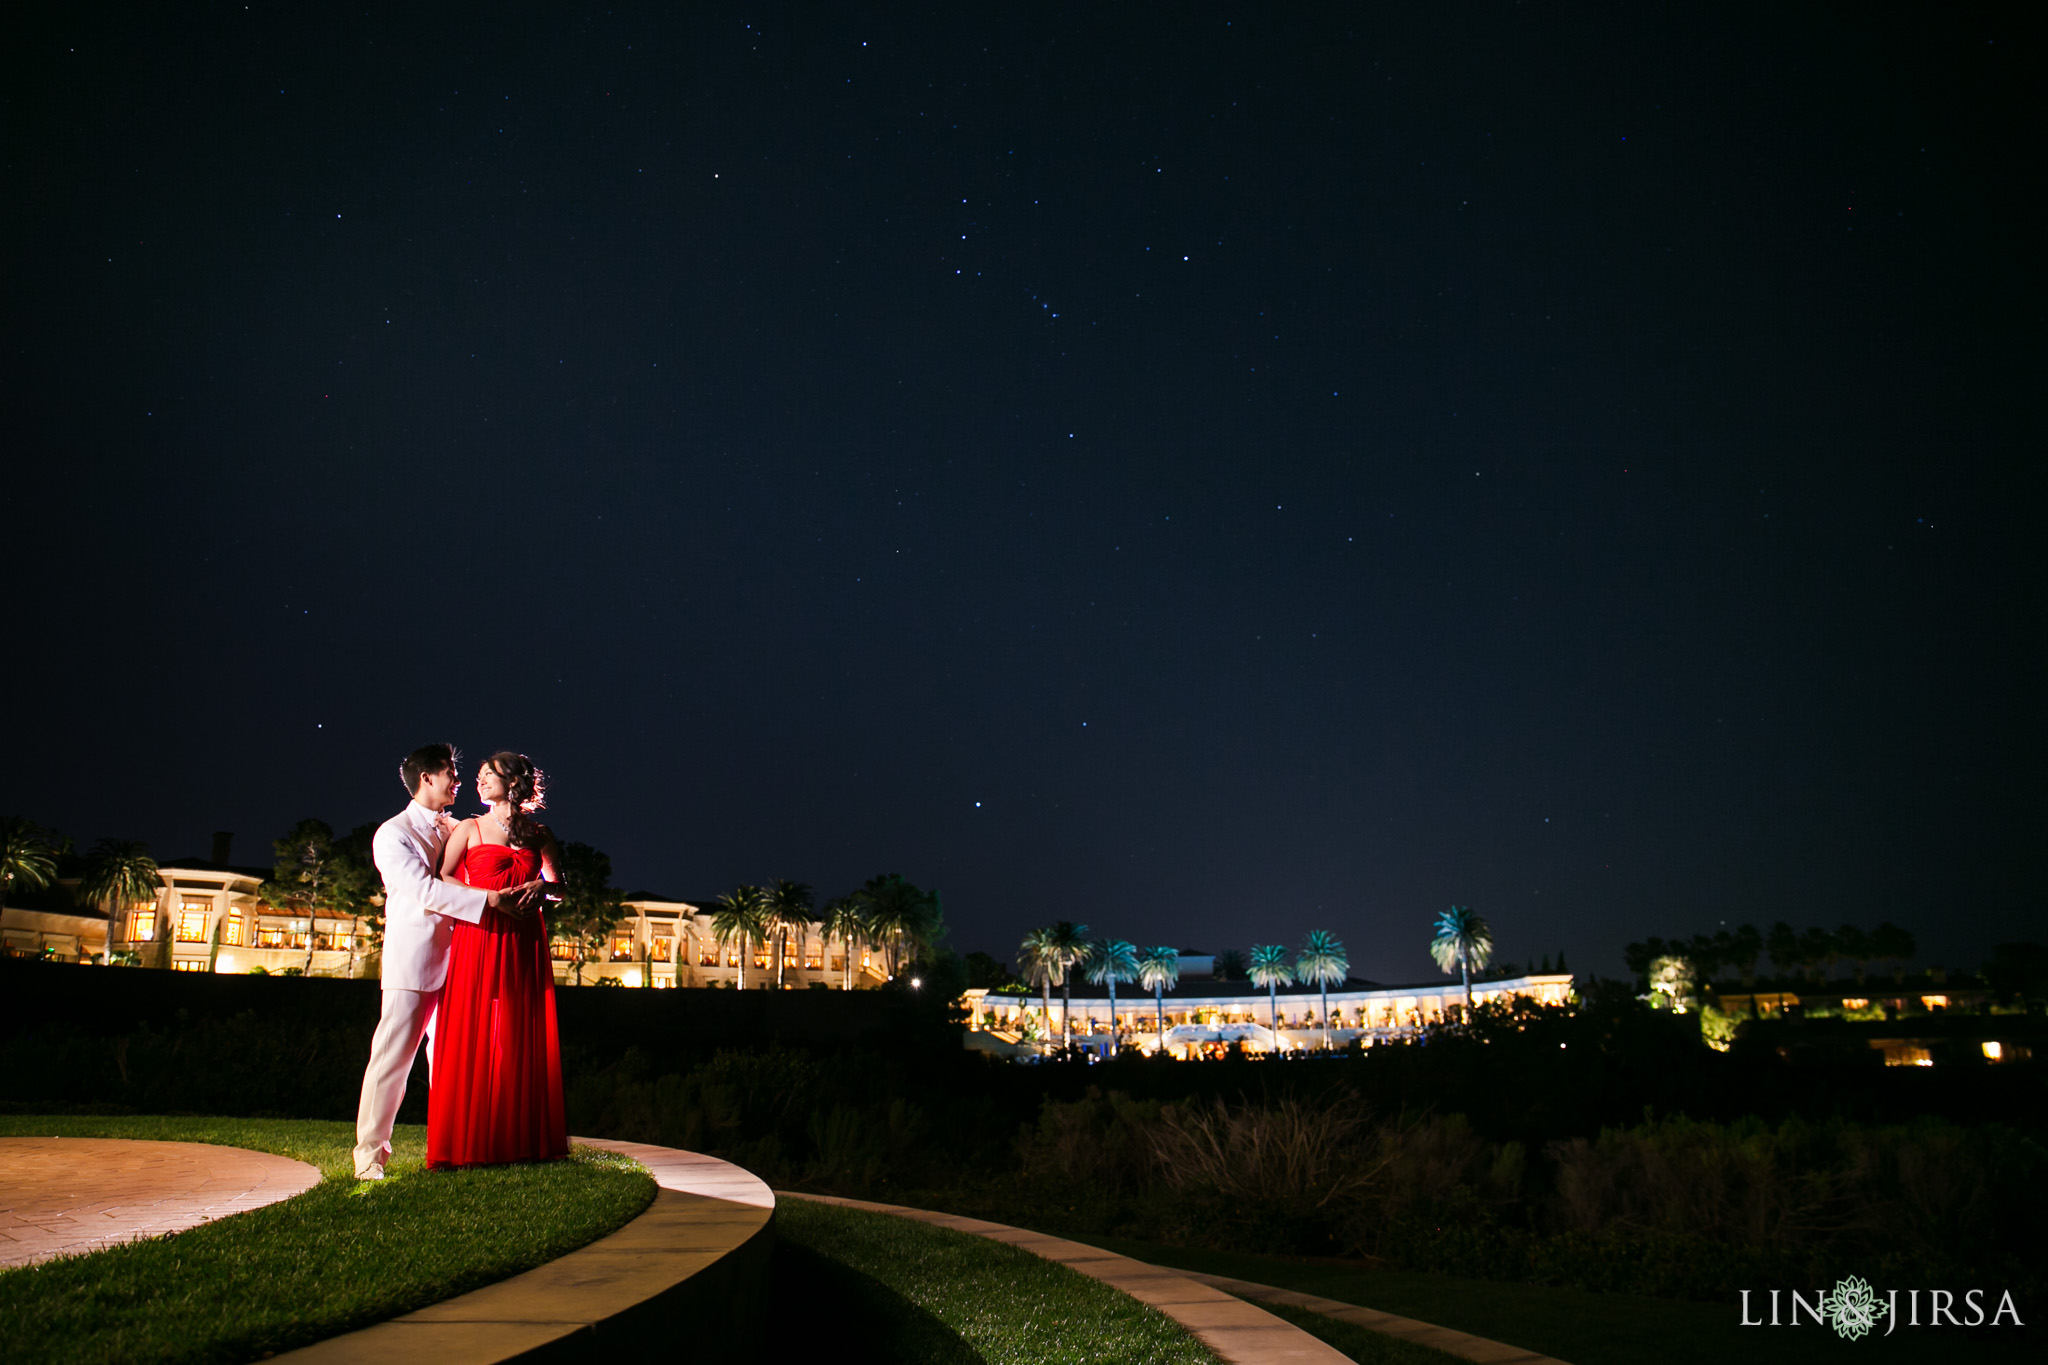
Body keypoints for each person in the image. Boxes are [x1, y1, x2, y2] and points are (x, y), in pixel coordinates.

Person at [353, 743, 541, 1180]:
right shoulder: (393, 834)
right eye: (451, 773)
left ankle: (455, 1146)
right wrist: (492, 899)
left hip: (466, 962)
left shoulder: (460, 826)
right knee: (392, 1059)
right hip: (416, 961)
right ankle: (369, 1157)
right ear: (427, 778)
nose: (459, 781)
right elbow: (426, 890)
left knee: (455, 1061)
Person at [426, 749, 569, 1167]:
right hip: (480, 932)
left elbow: (560, 887)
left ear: (514, 782)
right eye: (480, 775)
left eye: (490, 774)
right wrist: (489, 899)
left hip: (524, 938)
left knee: (519, 1032)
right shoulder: (469, 828)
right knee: (472, 1030)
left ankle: (519, 1140)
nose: (480, 780)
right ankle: (466, 1142)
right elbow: (445, 878)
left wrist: (543, 890)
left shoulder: (539, 834)